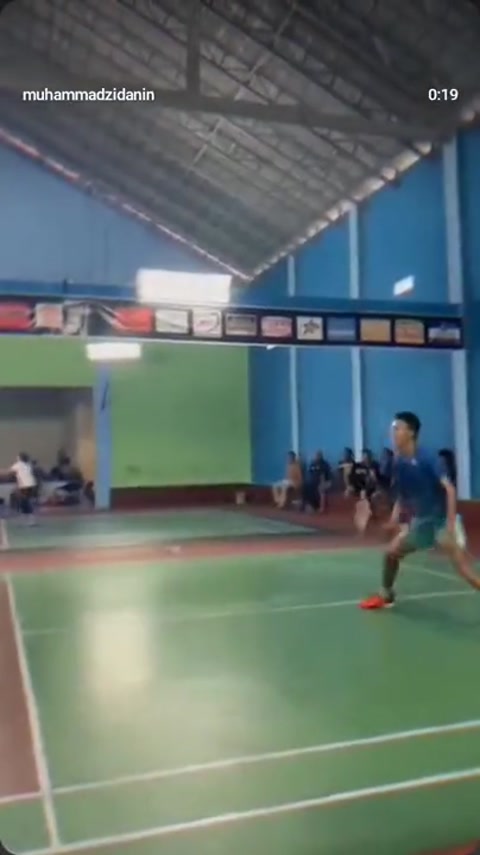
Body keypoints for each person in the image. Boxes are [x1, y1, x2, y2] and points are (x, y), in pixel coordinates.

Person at [360, 412, 480, 610]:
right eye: (393, 429)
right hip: (423, 522)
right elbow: (402, 495)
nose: (393, 432)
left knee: (465, 571)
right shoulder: (398, 463)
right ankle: (386, 595)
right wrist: (393, 520)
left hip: (442, 521)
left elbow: (450, 490)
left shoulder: (429, 458)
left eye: (398, 428)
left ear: (411, 432)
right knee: (391, 553)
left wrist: (450, 525)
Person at [9, 453, 37, 525]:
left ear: (20, 458)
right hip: (30, 484)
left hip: (25, 485)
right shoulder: (27, 465)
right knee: (23, 501)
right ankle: (25, 518)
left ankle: (30, 520)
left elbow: (10, 472)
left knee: (25, 501)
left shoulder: (18, 465)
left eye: (18, 457)